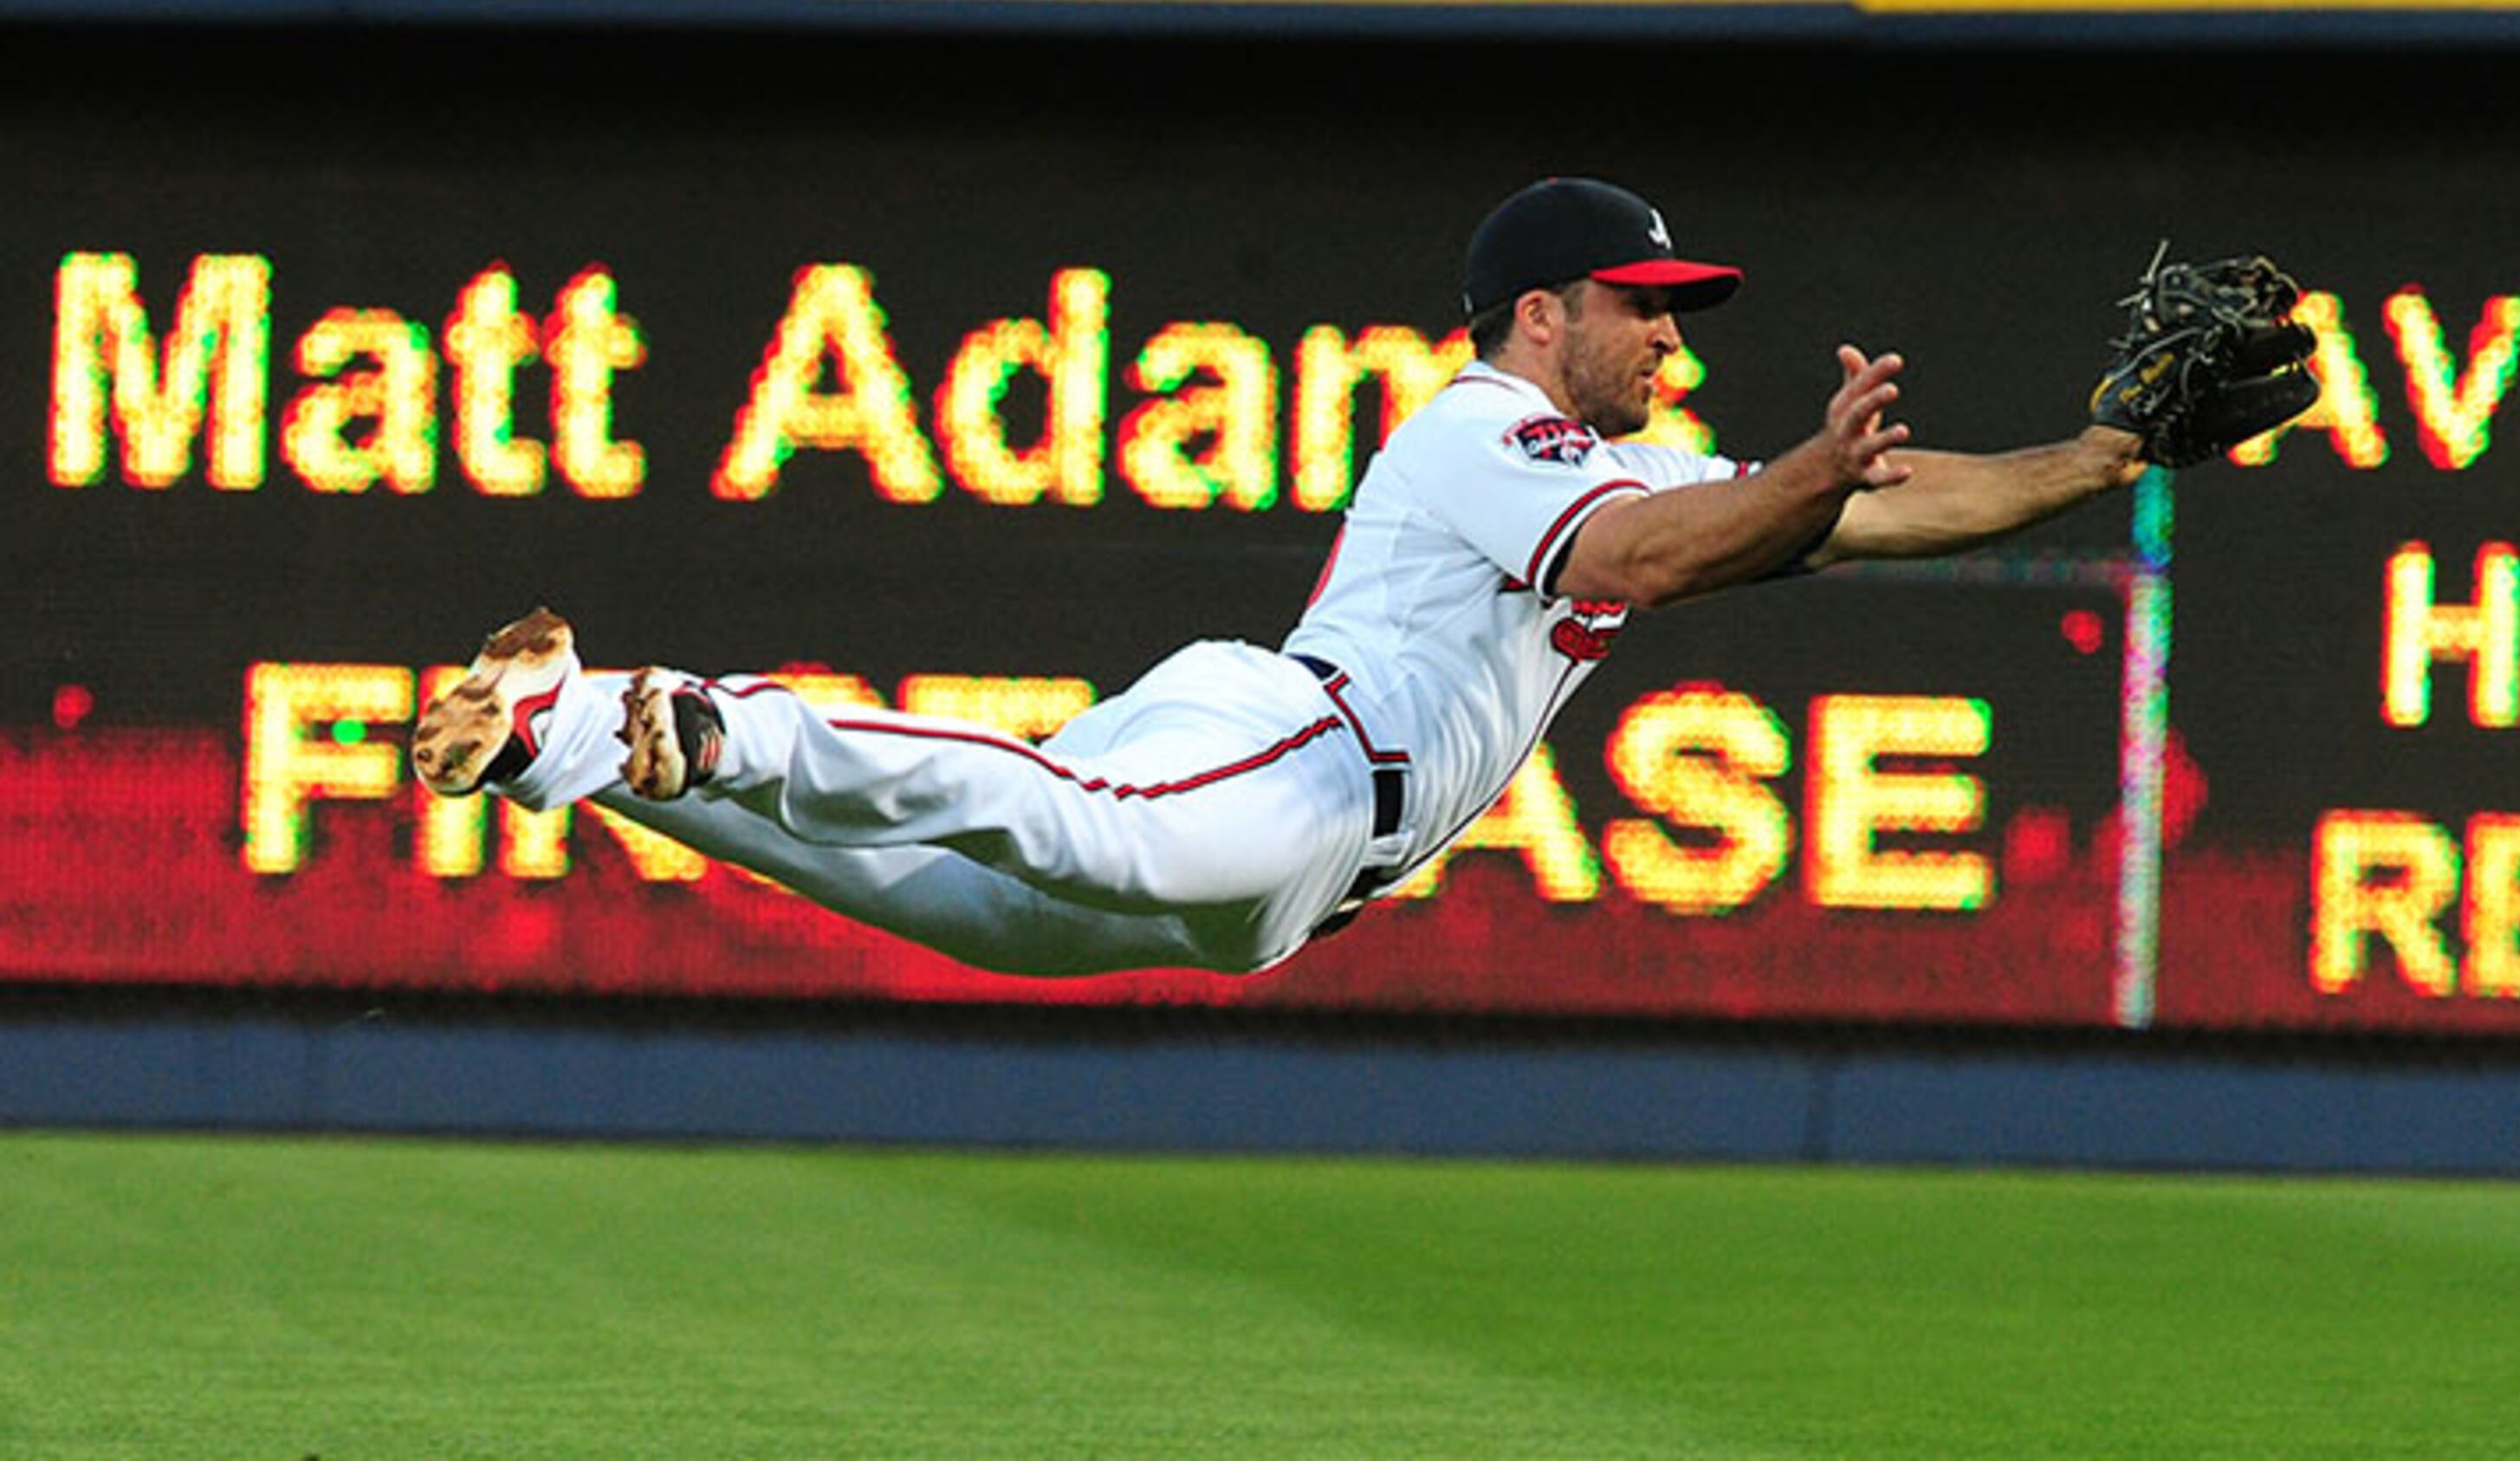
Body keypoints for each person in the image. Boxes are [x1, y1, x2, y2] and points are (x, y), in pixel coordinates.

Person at [411, 179, 2240, 981]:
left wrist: (2107, 455)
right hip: (1289, 745)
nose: (1677, 337)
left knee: (904, 893)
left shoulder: (1665, 463)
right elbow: (1652, 562)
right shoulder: (1475, 430)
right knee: (1061, 817)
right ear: (1545, 317)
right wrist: (1809, 478)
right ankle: (700, 718)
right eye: (1650, 310)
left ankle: (562, 741)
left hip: (1292, 899)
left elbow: (1900, 512)